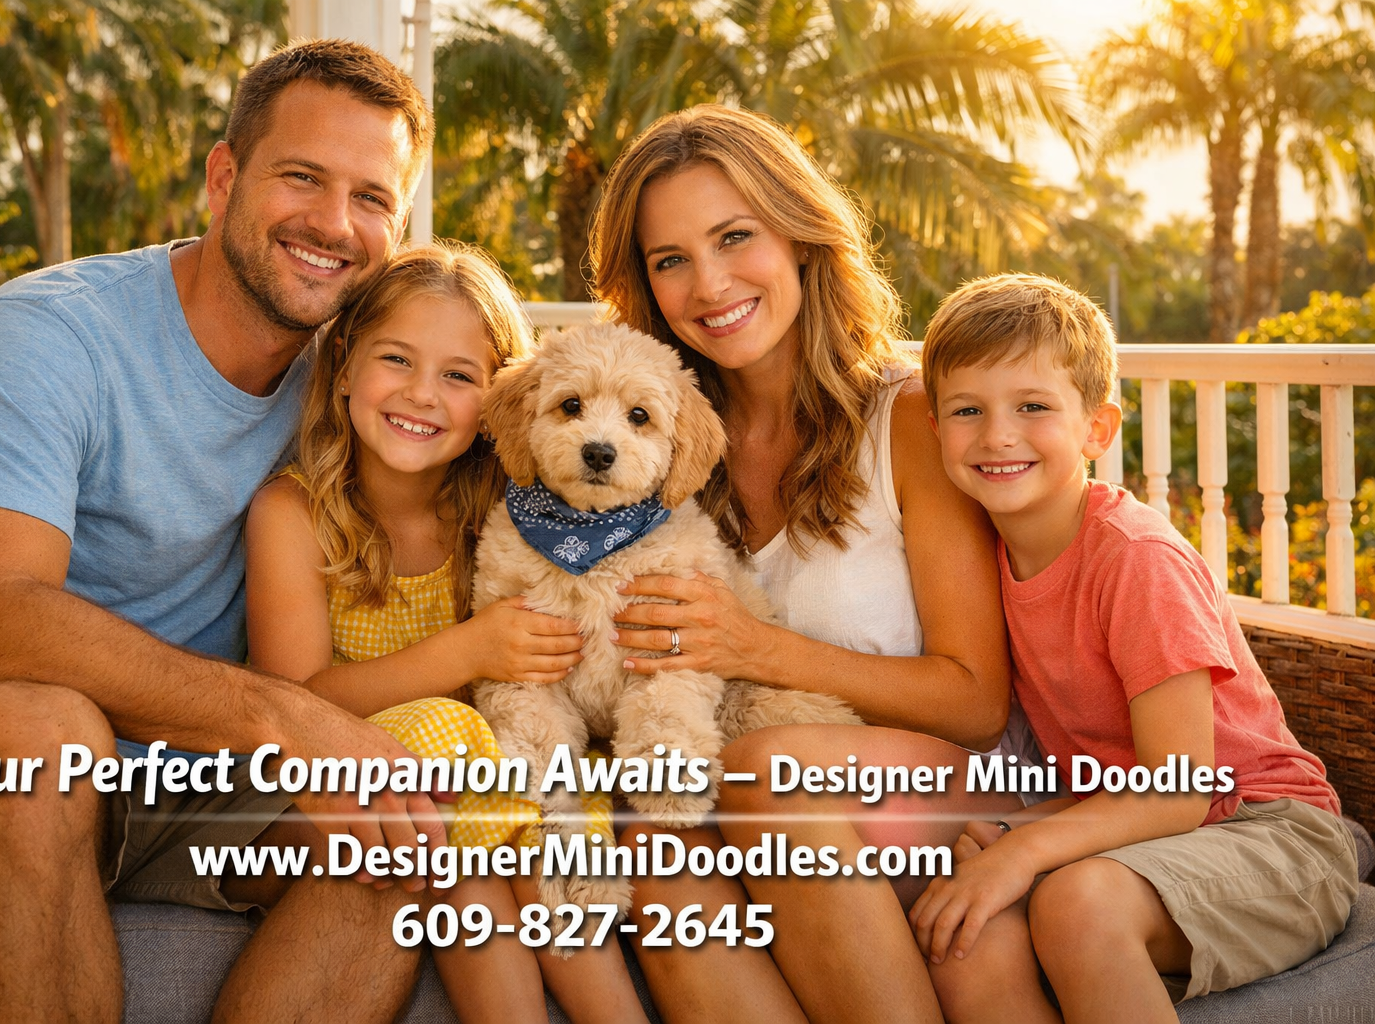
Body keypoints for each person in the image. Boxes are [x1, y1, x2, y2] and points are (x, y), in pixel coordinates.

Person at [0, 40, 447, 1023]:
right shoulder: (49, 337)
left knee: (407, 818)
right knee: (42, 737)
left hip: (185, 772)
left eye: (372, 197)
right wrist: (291, 721)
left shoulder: (363, 381)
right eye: (302, 177)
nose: (335, 224)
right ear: (223, 176)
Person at [588, 104, 1019, 1023]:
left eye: (734, 237)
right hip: (770, 827)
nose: (709, 284)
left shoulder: (905, 419)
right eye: (671, 261)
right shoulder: (657, 441)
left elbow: (978, 700)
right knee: (661, 887)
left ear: (799, 236)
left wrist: (753, 649)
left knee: (764, 767)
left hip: (933, 791)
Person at [909, 273, 1358, 1021]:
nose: (997, 435)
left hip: (1271, 833)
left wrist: (1025, 850)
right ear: (935, 431)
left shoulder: (1134, 557)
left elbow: (1180, 786)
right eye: (967, 410)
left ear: (1097, 428)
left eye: (1033, 407)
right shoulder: (978, 557)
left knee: (1075, 903)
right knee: (965, 903)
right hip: (1150, 841)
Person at [244, 241, 648, 1024]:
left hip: (475, 790)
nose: (422, 394)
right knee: (461, 769)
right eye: (396, 358)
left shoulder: (507, 510)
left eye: (459, 376)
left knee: (534, 799)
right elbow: (293, 704)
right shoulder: (293, 515)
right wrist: (465, 652)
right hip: (334, 785)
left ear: (503, 406)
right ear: (345, 367)